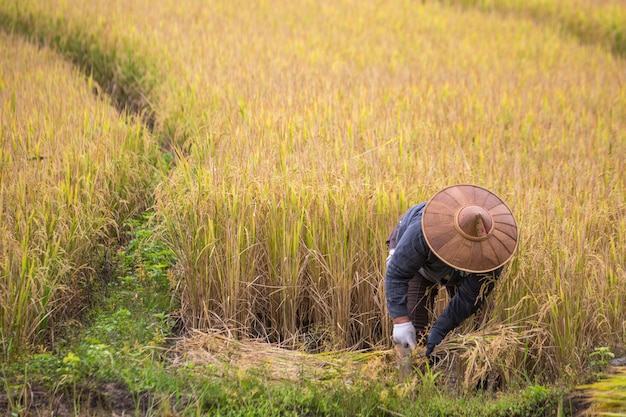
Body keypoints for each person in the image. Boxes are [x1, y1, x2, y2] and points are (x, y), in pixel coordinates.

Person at [385, 184, 519, 362]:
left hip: (460, 275)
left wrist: (440, 329)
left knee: (477, 326)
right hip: (421, 267)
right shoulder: (421, 231)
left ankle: (476, 384)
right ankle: (410, 384)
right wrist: (401, 321)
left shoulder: (494, 252)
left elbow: (469, 297)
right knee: (414, 333)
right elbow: (397, 273)